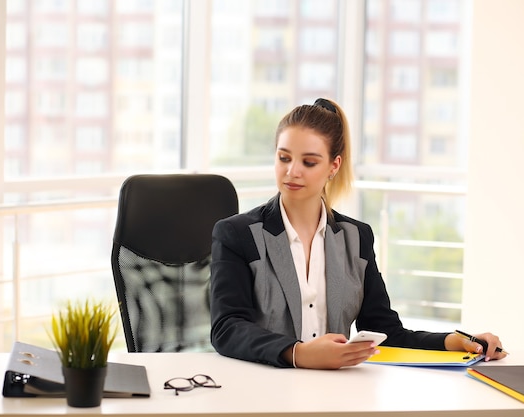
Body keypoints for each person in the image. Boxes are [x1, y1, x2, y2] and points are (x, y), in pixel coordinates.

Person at [209, 98, 506, 369]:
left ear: (333, 166)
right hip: (263, 391)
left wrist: (450, 341)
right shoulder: (237, 234)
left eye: (309, 162)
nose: (292, 171)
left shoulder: (357, 237)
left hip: (338, 396)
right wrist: (297, 353)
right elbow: (227, 328)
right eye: (284, 158)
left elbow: (385, 332)